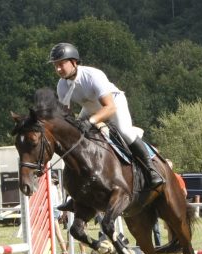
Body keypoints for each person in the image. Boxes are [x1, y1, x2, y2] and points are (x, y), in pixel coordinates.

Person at [50, 42, 164, 188]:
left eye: (61, 64)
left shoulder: (92, 76)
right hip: (90, 108)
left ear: (73, 62)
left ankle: (151, 169)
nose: (58, 69)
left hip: (114, 104)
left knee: (124, 131)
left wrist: (91, 121)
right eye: (55, 65)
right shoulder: (62, 85)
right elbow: (66, 113)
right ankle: (75, 188)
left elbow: (109, 107)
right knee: (75, 137)